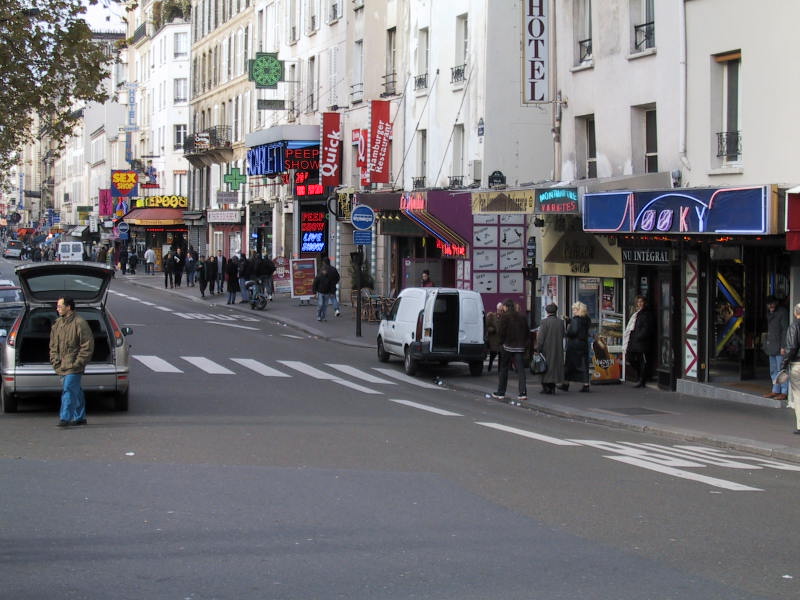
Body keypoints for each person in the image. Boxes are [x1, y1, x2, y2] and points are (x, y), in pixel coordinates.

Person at [49, 296, 94, 427]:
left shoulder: (80, 323)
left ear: (68, 307)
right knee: (75, 390)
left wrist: (78, 363)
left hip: (74, 365)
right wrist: (54, 360)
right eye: (57, 306)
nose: (57, 309)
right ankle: (80, 417)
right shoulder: (57, 323)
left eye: (60, 306)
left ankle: (65, 418)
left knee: (68, 389)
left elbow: (87, 346)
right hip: (61, 364)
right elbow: (53, 345)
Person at [491, 299, 529, 404]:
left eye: (503, 306)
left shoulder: (505, 317)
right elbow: (527, 332)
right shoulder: (522, 317)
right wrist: (524, 344)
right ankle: (522, 393)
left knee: (504, 369)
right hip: (520, 347)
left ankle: (501, 392)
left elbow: (501, 332)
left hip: (507, 346)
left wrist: (501, 343)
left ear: (506, 307)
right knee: (521, 370)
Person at [623, 295, 655, 388]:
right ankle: (640, 375)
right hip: (633, 341)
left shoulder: (646, 314)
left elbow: (647, 328)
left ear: (644, 303)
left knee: (643, 361)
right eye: (638, 302)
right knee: (630, 358)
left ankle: (642, 379)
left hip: (642, 342)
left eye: (641, 302)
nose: (639, 304)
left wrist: (639, 336)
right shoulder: (636, 313)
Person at [560, 301, 592, 392]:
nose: (573, 311)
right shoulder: (587, 319)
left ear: (579, 310)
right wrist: (569, 320)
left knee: (569, 365)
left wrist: (567, 332)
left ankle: (565, 383)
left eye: (574, 309)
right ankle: (586, 385)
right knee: (583, 364)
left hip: (574, 344)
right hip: (584, 344)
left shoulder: (576, 319)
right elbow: (581, 326)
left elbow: (573, 331)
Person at [535, 303, 566, 395]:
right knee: (555, 367)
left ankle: (546, 387)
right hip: (557, 348)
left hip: (546, 348)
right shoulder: (560, 322)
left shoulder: (544, 322)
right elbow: (563, 334)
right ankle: (552, 387)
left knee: (545, 367)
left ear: (547, 312)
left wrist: (538, 348)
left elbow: (540, 337)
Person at [780, 302, 800, 434]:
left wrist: (783, 365)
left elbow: (792, 347)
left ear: (795, 313)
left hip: (797, 364)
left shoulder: (794, 326)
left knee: (798, 395)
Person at [764, 295, 789, 400]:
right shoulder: (769, 313)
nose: (771, 306)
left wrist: (783, 346)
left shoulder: (782, 312)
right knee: (773, 370)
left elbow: (785, 330)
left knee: (781, 370)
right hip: (772, 345)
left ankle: (784, 392)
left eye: (772, 303)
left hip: (779, 346)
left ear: (776, 303)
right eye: (769, 304)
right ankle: (775, 390)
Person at [485, 302, 503, 372]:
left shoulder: (504, 317)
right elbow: (487, 326)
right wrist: (492, 329)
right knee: (493, 355)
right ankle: (490, 365)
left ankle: (500, 370)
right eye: (499, 310)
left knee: (501, 355)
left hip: (501, 340)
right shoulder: (492, 316)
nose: (500, 311)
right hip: (493, 340)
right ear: (497, 309)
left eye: (501, 310)